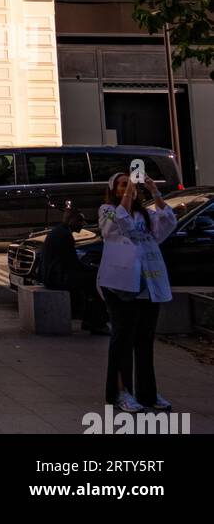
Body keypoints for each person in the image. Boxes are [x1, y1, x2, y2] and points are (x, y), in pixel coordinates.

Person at [97, 171, 177, 412]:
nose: (127, 187)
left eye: (128, 184)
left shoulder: (144, 214)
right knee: (122, 338)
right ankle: (120, 391)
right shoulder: (107, 210)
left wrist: (155, 192)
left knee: (144, 338)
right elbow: (116, 226)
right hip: (119, 284)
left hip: (147, 283)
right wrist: (129, 194)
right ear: (113, 190)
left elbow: (167, 223)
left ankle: (147, 392)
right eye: (122, 185)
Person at [41, 204, 107, 333]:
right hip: (57, 278)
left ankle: (90, 320)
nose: (83, 224)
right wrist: (93, 270)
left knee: (91, 280)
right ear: (71, 220)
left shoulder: (59, 231)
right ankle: (96, 323)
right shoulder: (65, 235)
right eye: (80, 220)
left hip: (52, 275)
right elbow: (73, 264)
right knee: (95, 281)